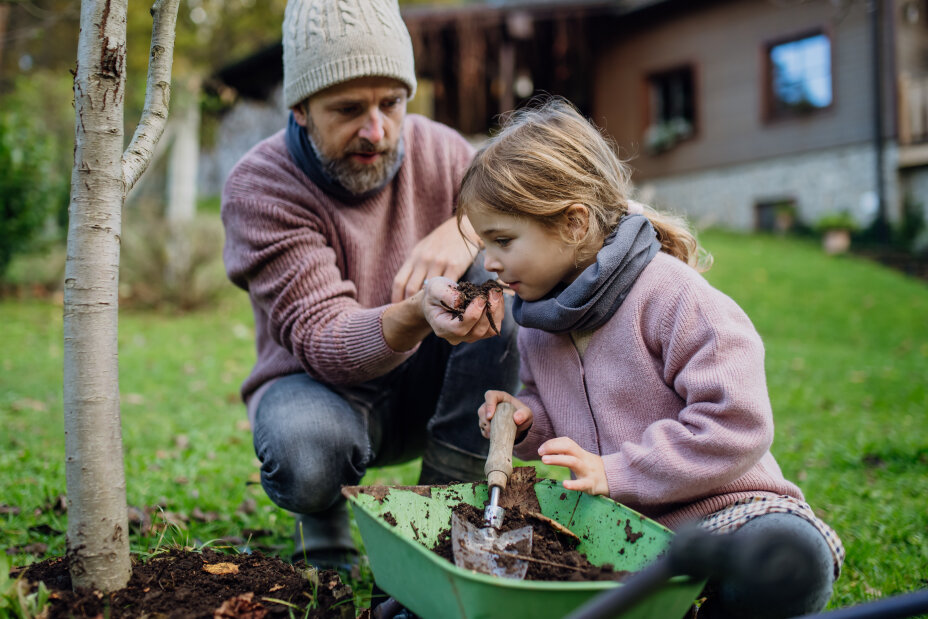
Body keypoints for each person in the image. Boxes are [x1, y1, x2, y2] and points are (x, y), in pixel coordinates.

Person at [461, 97, 844, 619]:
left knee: (786, 556)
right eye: (484, 243)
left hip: (725, 511)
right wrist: (528, 422)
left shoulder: (671, 296)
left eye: (502, 240)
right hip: (628, 536)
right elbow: (567, 425)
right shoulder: (537, 322)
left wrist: (617, 472)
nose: (489, 262)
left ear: (574, 223)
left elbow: (737, 423)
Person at [220, 0, 519, 572]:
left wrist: (470, 229)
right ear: (302, 108)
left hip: (437, 384)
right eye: (348, 108)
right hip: (321, 390)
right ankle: (324, 518)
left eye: (392, 103)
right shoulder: (259, 187)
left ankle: (443, 518)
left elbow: (532, 213)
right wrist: (413, 311)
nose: (376, 130)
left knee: (494, 277)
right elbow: (325, 340)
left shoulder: (444, 151)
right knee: (306, 456)